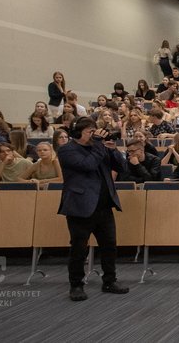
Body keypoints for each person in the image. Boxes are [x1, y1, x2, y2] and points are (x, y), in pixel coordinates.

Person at [57, 117, 128, 301]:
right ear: (79, 132)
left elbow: (122, 167)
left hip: (104, 206)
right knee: (79, 248)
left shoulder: (99, 147)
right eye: (90, 131)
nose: (94, 134)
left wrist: (113, 151)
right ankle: (76, 285)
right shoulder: (67, 150)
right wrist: (98, 145)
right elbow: (87, 165)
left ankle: (110, 280)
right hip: (80, 207)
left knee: (109, 246)